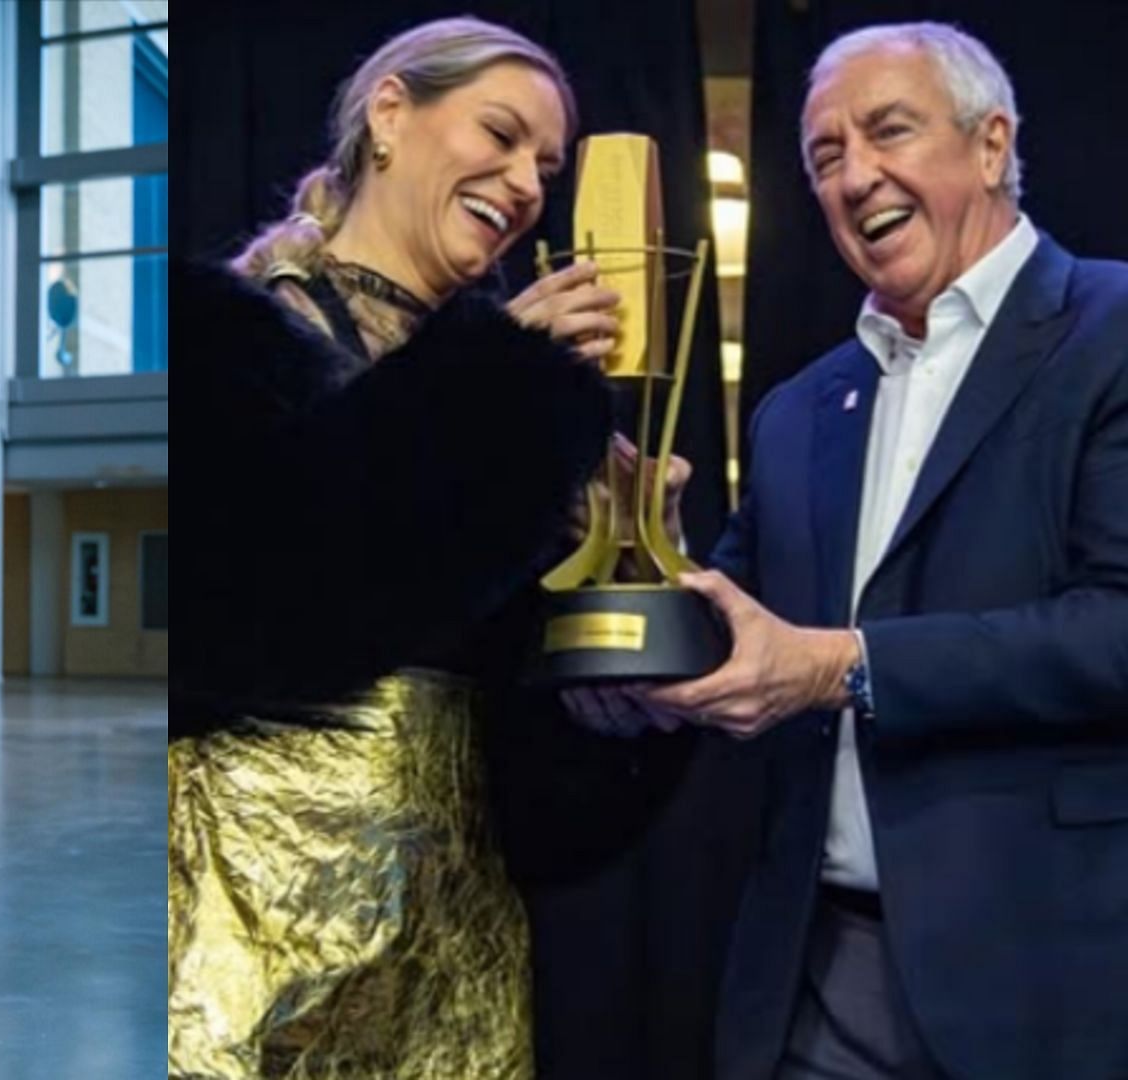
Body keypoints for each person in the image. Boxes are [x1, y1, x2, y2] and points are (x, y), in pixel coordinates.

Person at [171, 16, 681, 1078]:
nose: (526, 181)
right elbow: (283, 607)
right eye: (499, 133)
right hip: (244, 925)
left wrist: (634, 594)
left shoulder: (518, 414)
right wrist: (507, 391)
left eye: (545, 166)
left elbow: (542, 769)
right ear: (390, 115)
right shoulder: (221, 338)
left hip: (455, 954)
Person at [619, 22, 1128, 1080]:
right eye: (824, 156)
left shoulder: (1111, 330)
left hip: (1059, 980)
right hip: (817, 981)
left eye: (888, 131)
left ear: (992, 145)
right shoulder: (799, 409)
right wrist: (644, 572)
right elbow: (742, 630)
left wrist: (848, 666)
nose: (855, 177)